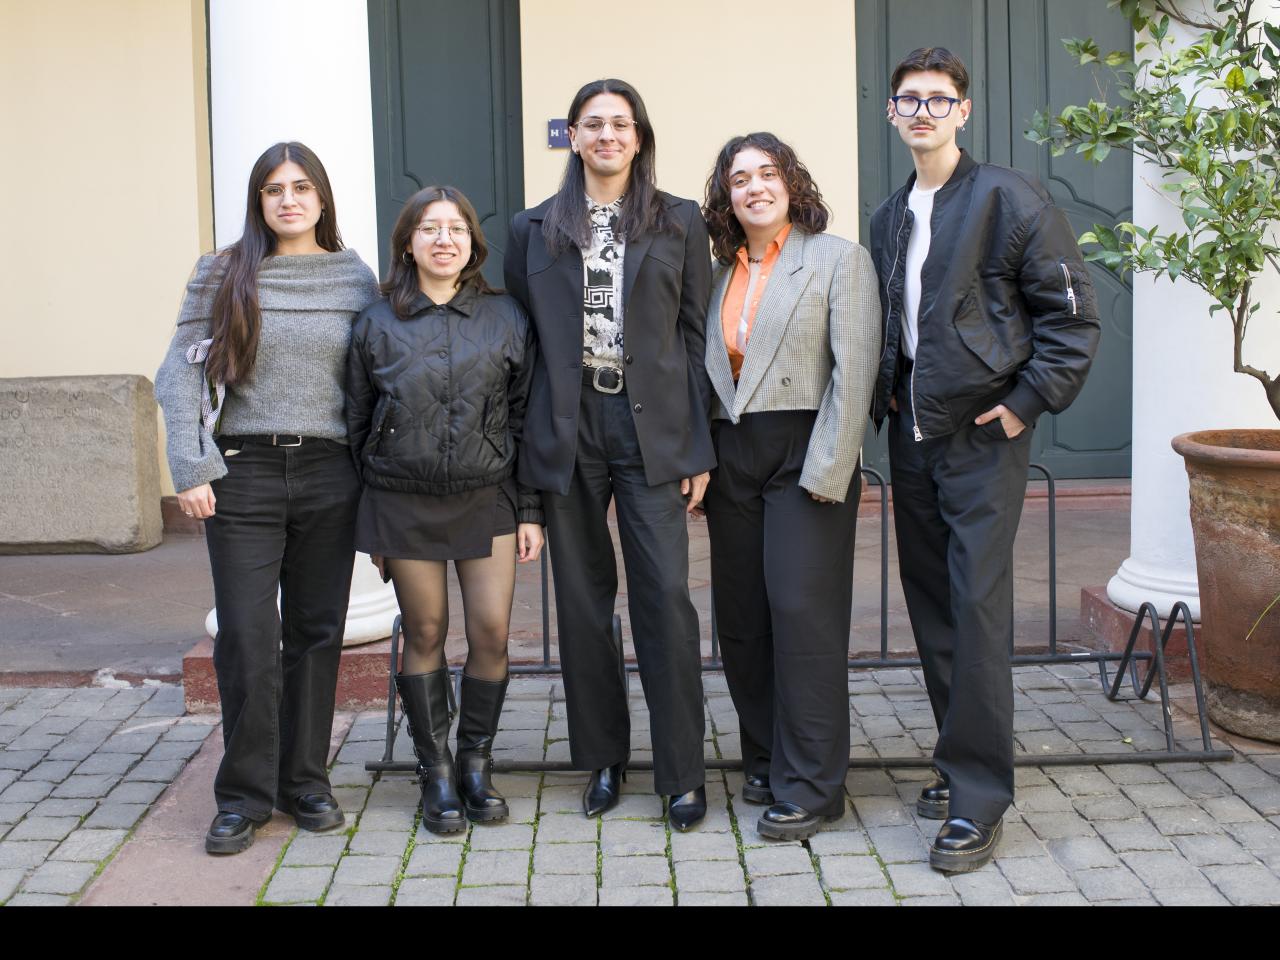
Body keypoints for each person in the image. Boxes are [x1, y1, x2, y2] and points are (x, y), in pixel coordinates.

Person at [870, 48, 1100, 872]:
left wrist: (1024, 406)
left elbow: (1073, 318)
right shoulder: (889, 216)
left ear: (963, 112)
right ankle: (958, 760)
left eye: (939, 99)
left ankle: (977, 798)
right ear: (892, 114)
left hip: (981, 439)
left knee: (976, 609)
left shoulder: (1010, 198)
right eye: (909, 100)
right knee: (933, 607)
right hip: (913, 440)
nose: (923, 111)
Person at [155, 142, 379, 854]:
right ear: (259, 201)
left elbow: (376, 377)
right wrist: (190, 464)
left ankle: (305, 781)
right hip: (244, 473)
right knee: (249, 638)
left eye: (302, 187)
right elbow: (179, 372)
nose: (289, 199)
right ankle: (245, 796)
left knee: (316, 631)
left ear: (322, 199)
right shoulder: (223, 272)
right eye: (274, 189)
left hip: (330, 473)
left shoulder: (354, 276)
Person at [504, 78, 714, 831]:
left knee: (665, 599)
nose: (607, 135)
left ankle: (682, 771)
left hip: (650, 425)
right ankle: (603, 758)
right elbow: (523, 346)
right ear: (573, 136)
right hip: (568, 428)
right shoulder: (533, 229)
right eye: (593, 124)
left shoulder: (680, 222)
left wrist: (698, 445)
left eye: (620, 123)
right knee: (585, 605)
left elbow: (696, 340)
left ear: (640, 135)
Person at [346, 186, 544, 834]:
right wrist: (368, 518)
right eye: (429, 229)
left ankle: (474, 763)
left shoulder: (506, 317)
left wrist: (528, 510)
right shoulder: (376, 322)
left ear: (472, 243)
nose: (443, 239)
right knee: (425, 632)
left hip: (487, 498)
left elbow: (524, 417)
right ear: (408, 243)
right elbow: (356, 420)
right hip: (403, 502)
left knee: (489, 632)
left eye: (456, 228)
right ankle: (434, 774)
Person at [701, 133, 881, 840]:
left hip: (806, 450)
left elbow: (854, 368)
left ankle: (813, 785)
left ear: (791, 182)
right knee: (743, 618)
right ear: (726, 196)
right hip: (731, 454)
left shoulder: (837, 260)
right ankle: (768, 755)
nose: (753, 187)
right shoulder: (716, 272)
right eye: (738, 178)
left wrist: (832, 468)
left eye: (767, 173)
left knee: (802, 614)